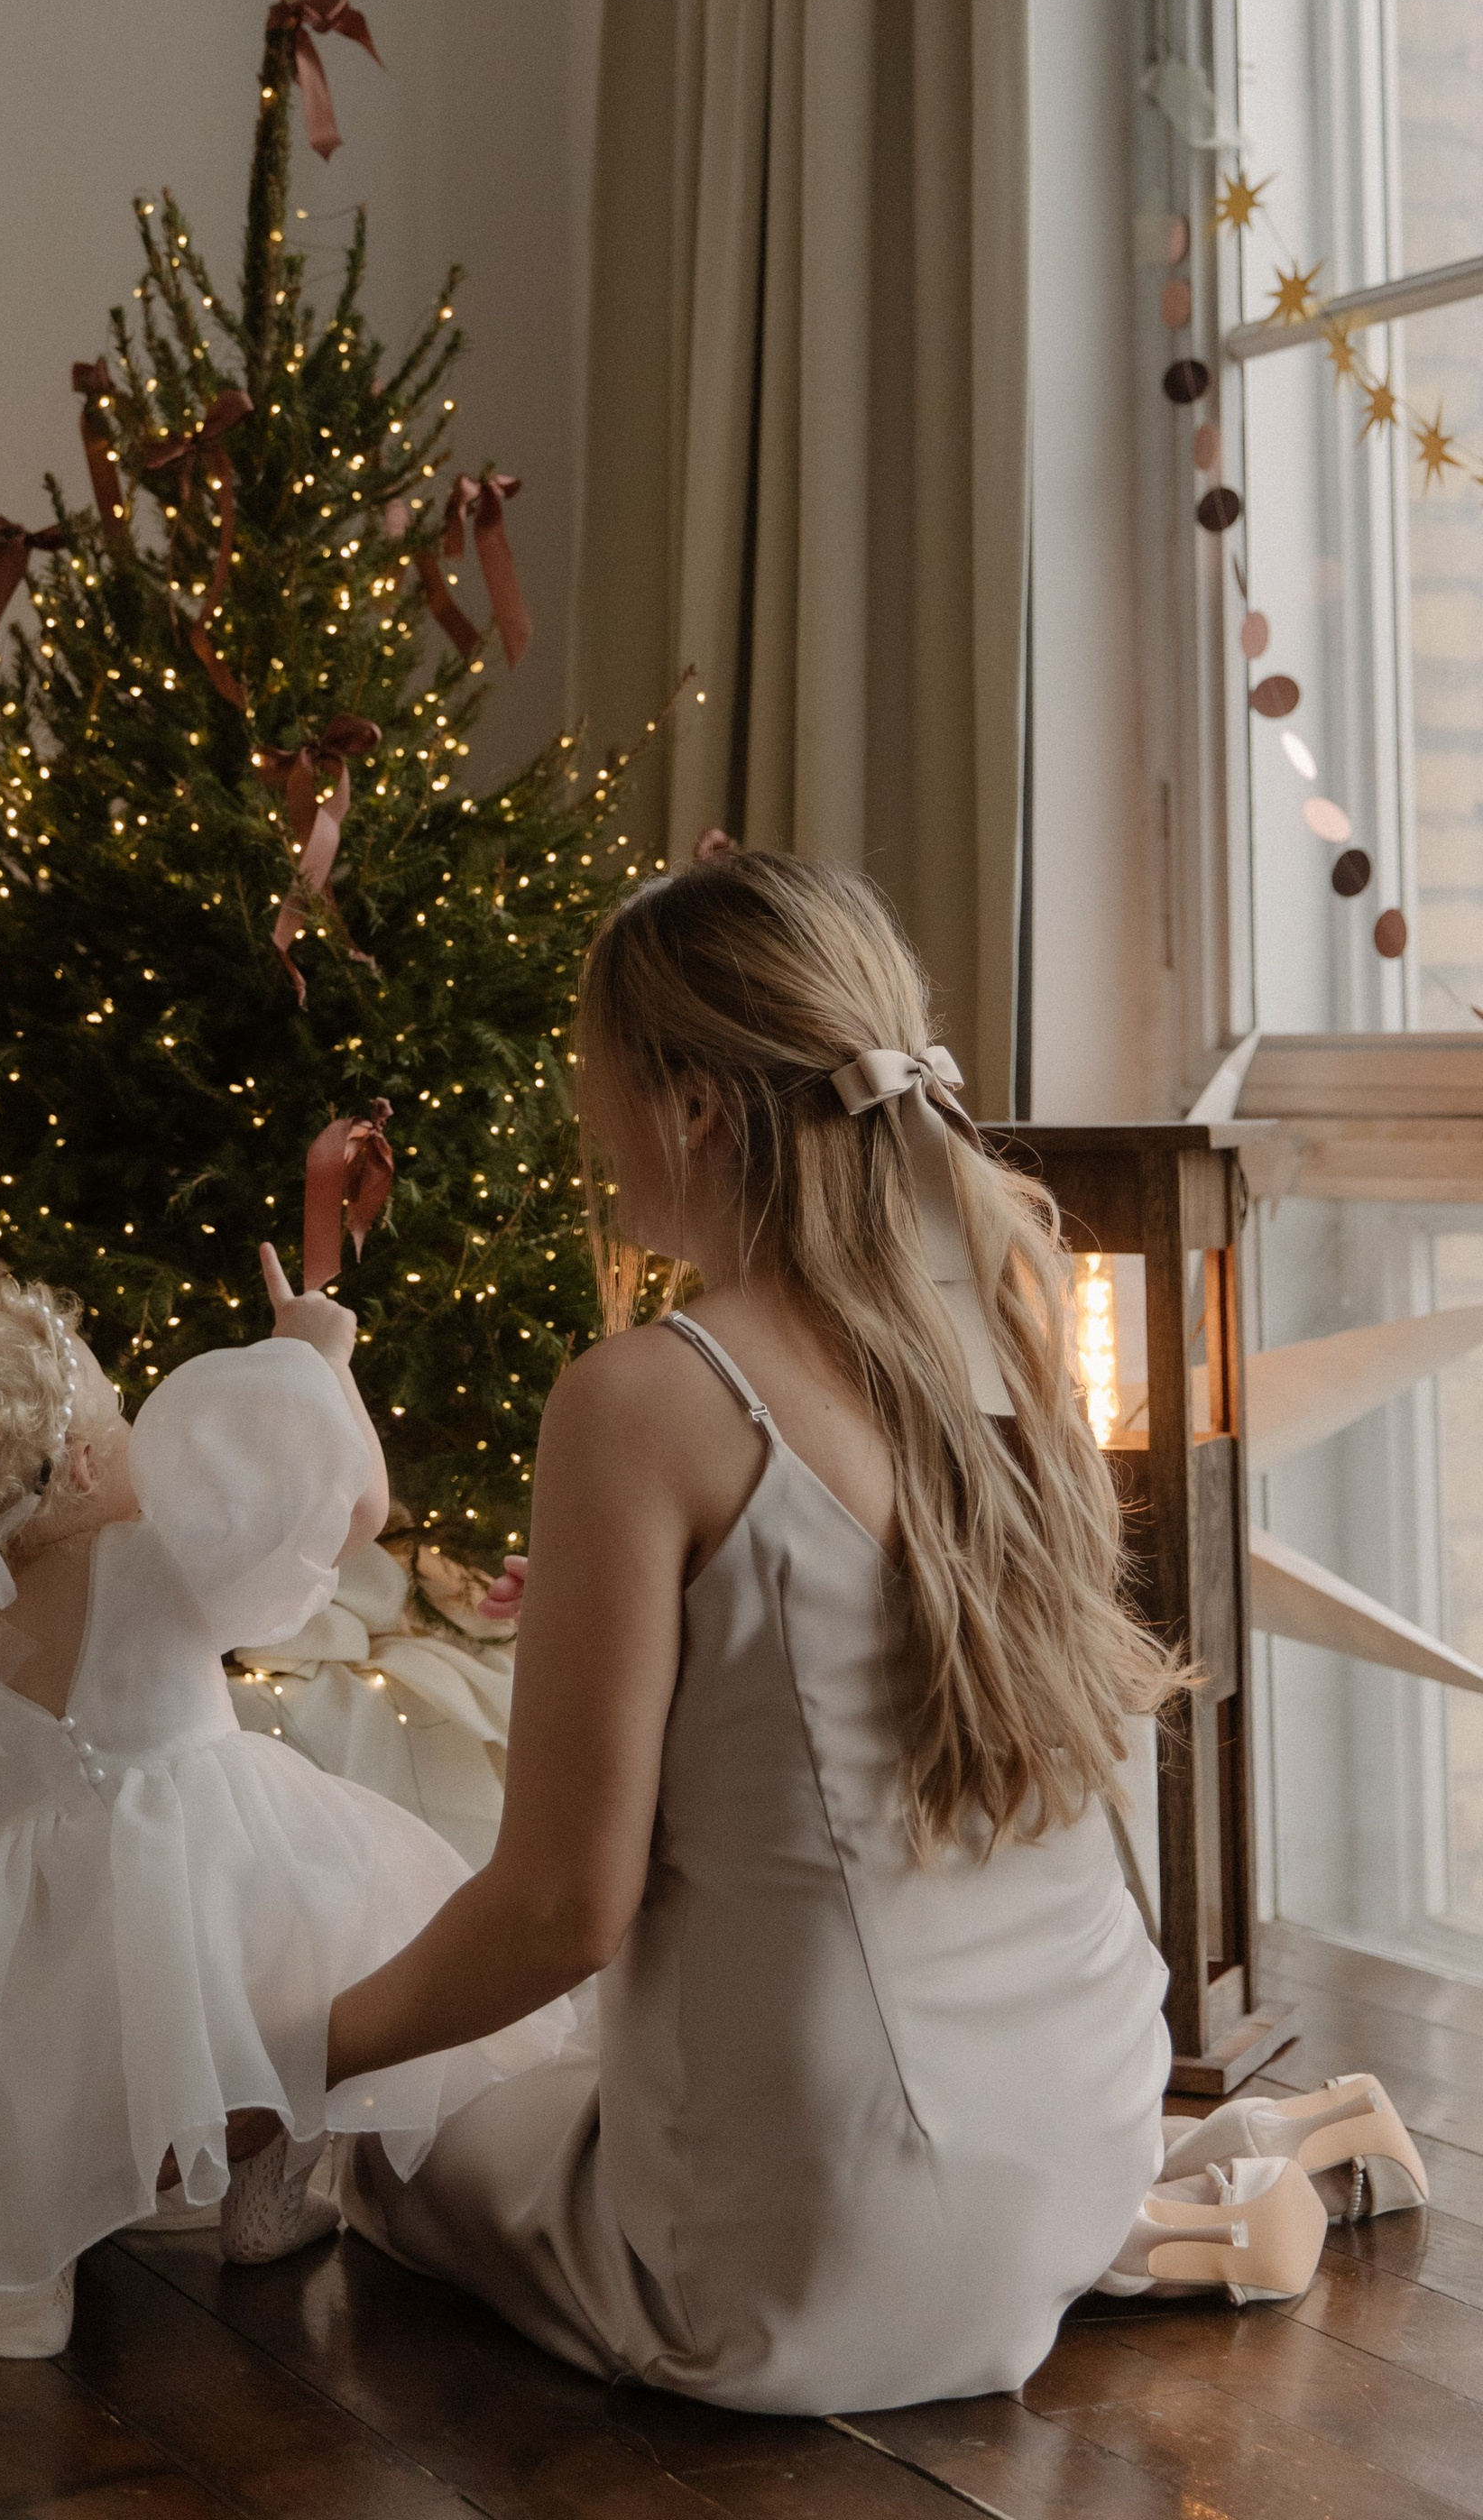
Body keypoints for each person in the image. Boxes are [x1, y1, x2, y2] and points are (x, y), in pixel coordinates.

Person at [328, 847, 1340, 2409]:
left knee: (403, 2152)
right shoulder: (997, 1323)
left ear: (693, 1110)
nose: (593, 1143)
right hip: (1086, 2129)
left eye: (601, 1098)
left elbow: (559, 1912)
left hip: (817, 2258)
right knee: (566, 2072)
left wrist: (307, 2057)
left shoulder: (643, 1401)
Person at [0, 1264, 576, 2362]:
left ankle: (17, 2282)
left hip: (29, 1923)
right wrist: (320, 1361)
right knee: (302, 2004)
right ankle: (267, 2200)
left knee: (19, 2075)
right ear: (91, 1459)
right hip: (219, 1873)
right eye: (121, 1409)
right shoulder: (154, 1561)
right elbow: (351, 1516)